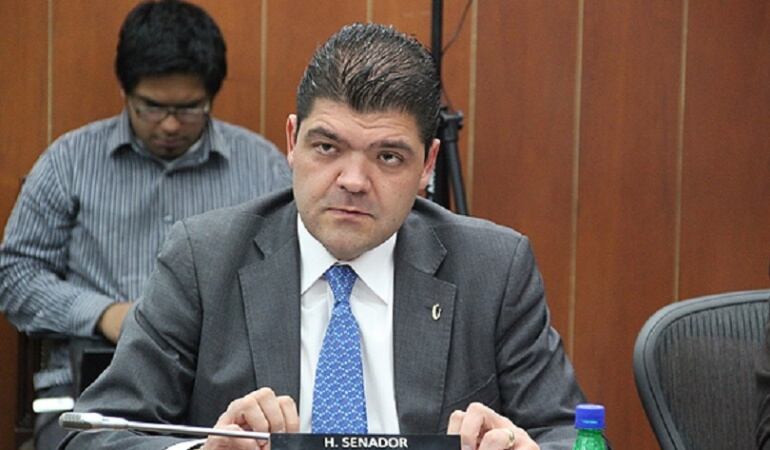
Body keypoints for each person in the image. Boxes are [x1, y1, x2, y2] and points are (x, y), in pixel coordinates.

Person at [60, 23, 586, 450]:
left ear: (427, 164)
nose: (353, 181)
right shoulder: (203, 258)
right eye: (328, 147)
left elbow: (571, 435)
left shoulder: (493, 267)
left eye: (387, 157)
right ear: (292, 142)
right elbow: (94, 433)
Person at [0, 1, 290, 449]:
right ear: (126, 91)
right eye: (152, 107)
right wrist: (103, 314)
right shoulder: (69, 162)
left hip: (225, 393)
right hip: (85, 390)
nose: (171, 124)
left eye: (190, 108)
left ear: (211, 95)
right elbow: (15, 276)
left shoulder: (264, 169)